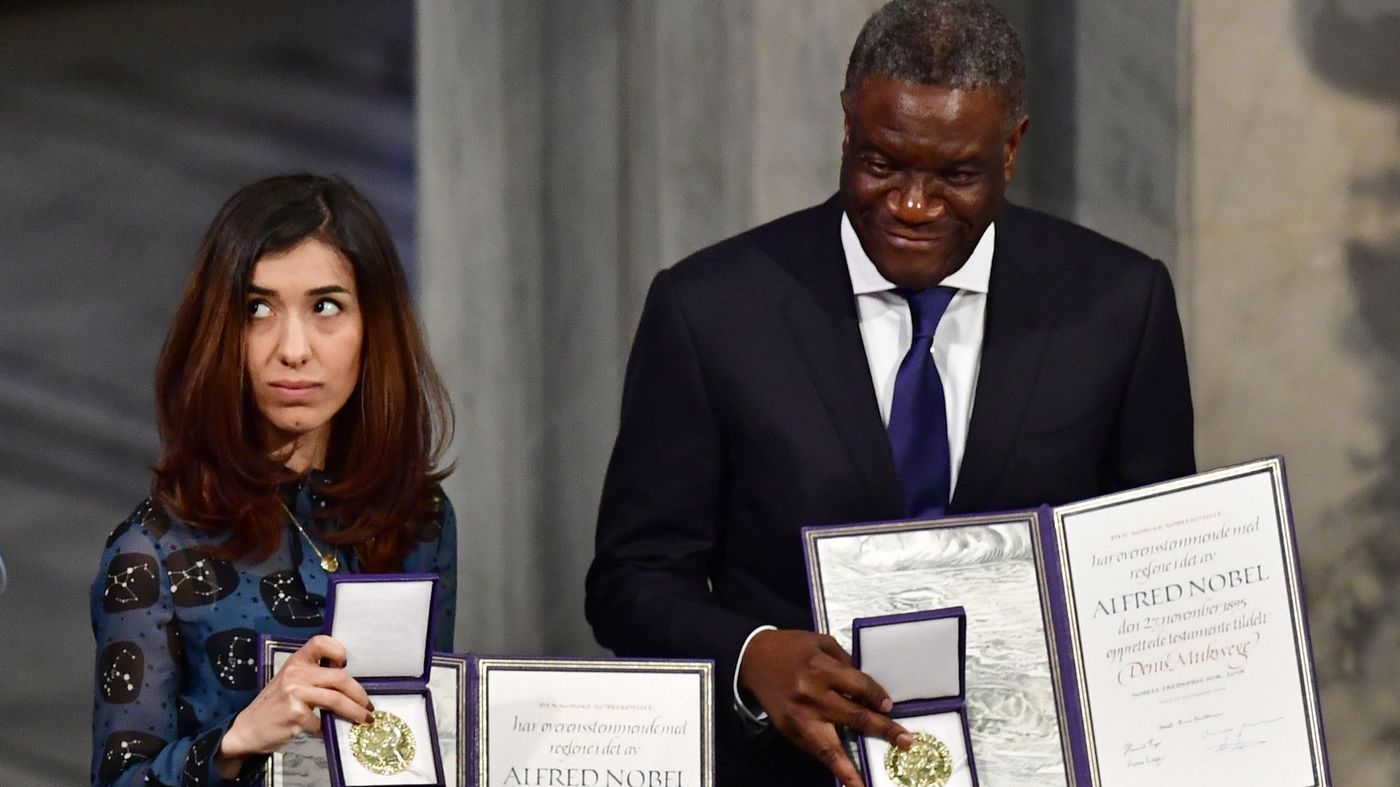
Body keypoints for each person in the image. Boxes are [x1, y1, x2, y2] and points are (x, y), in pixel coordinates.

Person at [584, 1, 1195, 784]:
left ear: (1011, 148)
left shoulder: (1118, 304)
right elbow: (631, 579)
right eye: (882, 164)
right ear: (847, 127)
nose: (911, 205)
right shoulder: (711, 309)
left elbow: (1152, 576)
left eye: (956, 175)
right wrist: (751, 654)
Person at [90, 174, 457, 785]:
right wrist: (233, 744)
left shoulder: (420, 517)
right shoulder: (152, 552)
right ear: (219, 332)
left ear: (375, 329)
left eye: (326, 307)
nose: (293, 348)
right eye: (258, 309)